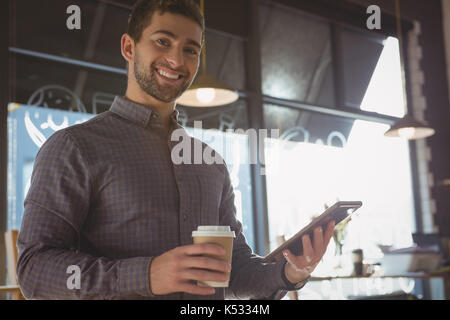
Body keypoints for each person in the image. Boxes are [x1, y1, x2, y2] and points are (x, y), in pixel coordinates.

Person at [17, 0, 335, 300]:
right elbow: (34, 271)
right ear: (129, 47)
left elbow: (234, 272)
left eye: (191, 50)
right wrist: (145, 275)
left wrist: (290, 273)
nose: (177, 60)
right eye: (162, 41)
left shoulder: (211, 164)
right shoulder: (74, 148)